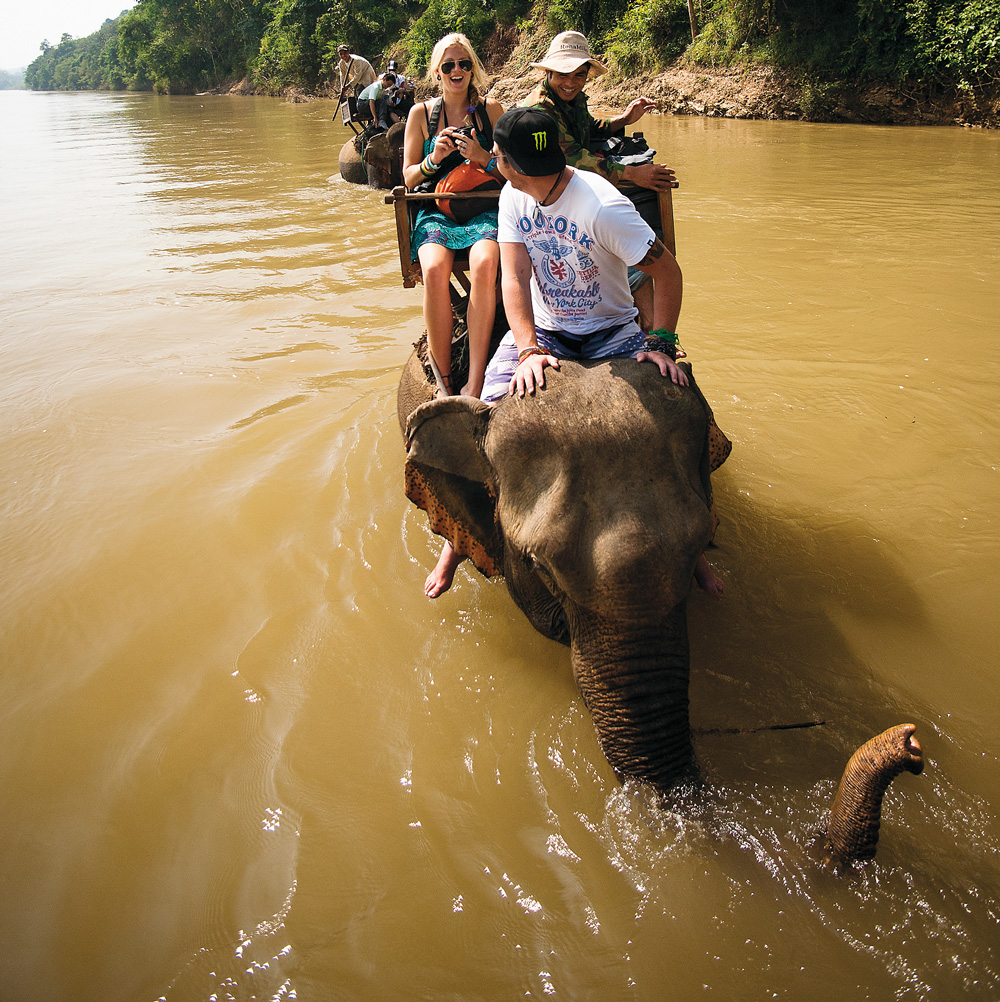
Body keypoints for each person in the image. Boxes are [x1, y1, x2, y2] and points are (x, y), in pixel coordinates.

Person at [423, 107, 723, 599]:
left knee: (679, 416)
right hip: (546, 329)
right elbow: (515, 278)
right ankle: (458, 540)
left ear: (515, 166)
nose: (494, 162)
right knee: (481, 419)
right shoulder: (515, 198)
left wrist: (661, 342)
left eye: (497, 156)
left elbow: (667, 273)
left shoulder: (603, 208)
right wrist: (526, 349)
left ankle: (697, 546)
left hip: (612, 332)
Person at [521, 31, 678, 328]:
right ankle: (647, 320)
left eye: (579, 75)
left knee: (636, 209)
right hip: (547, 190)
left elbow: (587, 129)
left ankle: (645, 314)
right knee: (630, 213)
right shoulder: (541, 108)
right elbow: (569, 157)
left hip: (569, 183)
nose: (571, 82)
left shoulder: (572, 99)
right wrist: (632, 174)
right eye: (564, 74)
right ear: (549, 72)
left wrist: (622, 120)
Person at [402, 33, 505, 403]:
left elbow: (515, 169)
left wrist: (482, 156)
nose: (457, 71)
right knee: (433, 270)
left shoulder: (491, 111)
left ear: (473, 69)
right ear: (438, 72)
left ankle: (474, 380)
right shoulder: (421, 115)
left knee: (485, 263)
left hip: (482, 207)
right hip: (437, 210)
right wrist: (434, 158)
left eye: (464, 64)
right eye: (449, 66)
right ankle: (443, 376)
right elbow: (408, 176)